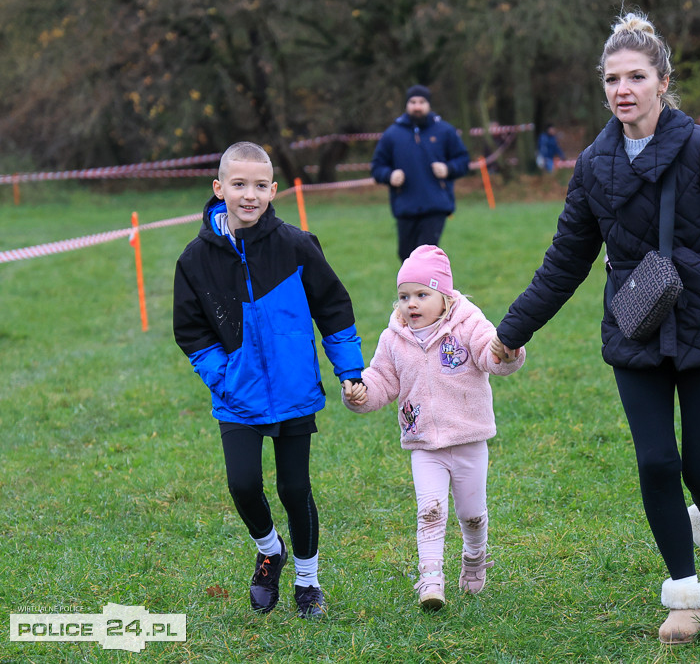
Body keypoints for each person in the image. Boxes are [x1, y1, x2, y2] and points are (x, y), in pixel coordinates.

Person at [493, 12, 700, 645]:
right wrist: (513, 329)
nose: (622, 88)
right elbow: (565, 261)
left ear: (663, 80)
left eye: (636, 76)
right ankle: (685, 592)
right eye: (611, 79)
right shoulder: (594, 164)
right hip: (635, 329)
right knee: (657, 462)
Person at [173, 141, 364, 619]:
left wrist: (350, 371)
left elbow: (334, 308)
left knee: (295, 489)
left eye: (260, 185)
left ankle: (307, 582)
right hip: (237, 396)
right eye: (239, 184)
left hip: (295, 390)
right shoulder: (194, 260)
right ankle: (269, 549)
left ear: (274, 189)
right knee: (242, 484)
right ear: (219, 189)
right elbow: (190, 329)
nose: (249, 194)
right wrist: (225, 377)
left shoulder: (297, 246)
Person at [343, 245, 525, 611]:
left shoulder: (469, 323)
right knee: (430, 509)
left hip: (469, 438)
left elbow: (491, 356)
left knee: (472, 515)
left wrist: (507, 353)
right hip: (423, 443)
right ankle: (430, 579)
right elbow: (382, 380)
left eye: (422, 295)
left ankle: (474, 558)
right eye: (404, 296)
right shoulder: (393, 338)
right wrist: (361, 393)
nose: (411, 304)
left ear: (444, 297)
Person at [371, 85, 471, 260]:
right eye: (413, 102)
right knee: (406, 257)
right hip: (405, 206)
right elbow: (377, 167)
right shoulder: (392, 134)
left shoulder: (445, 131)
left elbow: (463, 161)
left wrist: (448, 169)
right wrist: (389, 175)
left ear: (429, 105)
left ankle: (430, 288)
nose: (417, 106)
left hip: (435, 205)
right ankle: (412, 288)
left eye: (422, 102)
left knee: (425, 257)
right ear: (407, 105)